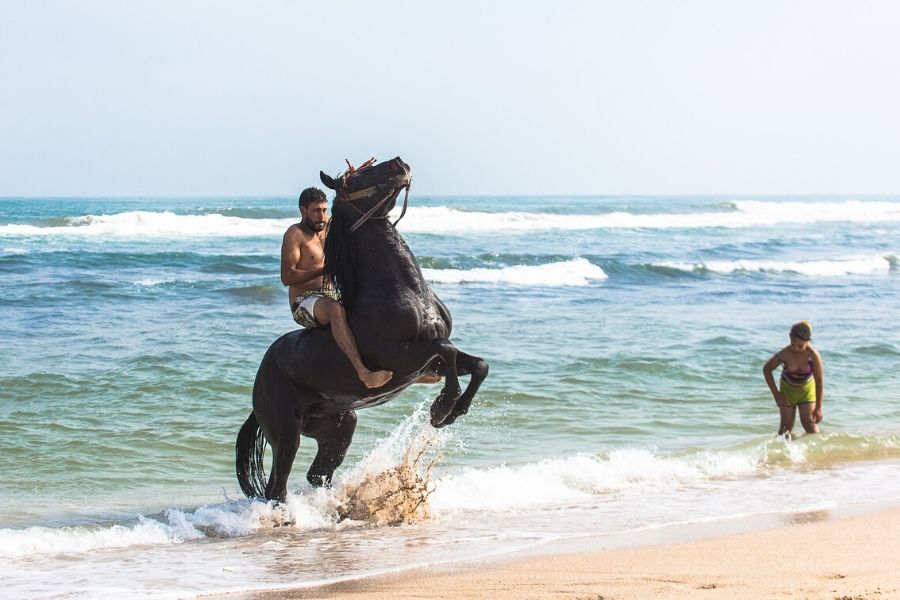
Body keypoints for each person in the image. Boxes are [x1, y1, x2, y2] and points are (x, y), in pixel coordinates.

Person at [281, 187, 393, 389]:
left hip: (333, 295)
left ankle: (402, 367)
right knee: (335, 309)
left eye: (324, 210)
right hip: (304, 302)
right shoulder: (295, 234)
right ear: (303, 210)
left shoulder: (329, 228)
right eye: (316, 210)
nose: (321, 216)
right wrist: (324, 270)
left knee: (371, 305)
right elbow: (287, 277)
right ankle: (363, 373)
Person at [762, 321, 824, 436]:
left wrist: (819, 407)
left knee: (809, 424)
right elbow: (766, 369)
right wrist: (776, 394)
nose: (795, 348)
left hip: (806, 392)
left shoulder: (812, 355)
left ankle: (819, 452)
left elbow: (819, 381)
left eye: (800, 346)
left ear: (807, 341)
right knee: (785, 428)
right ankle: (783, 452)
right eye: (793, 343)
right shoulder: (784, 354)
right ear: (790, 336)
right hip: (787, 392)